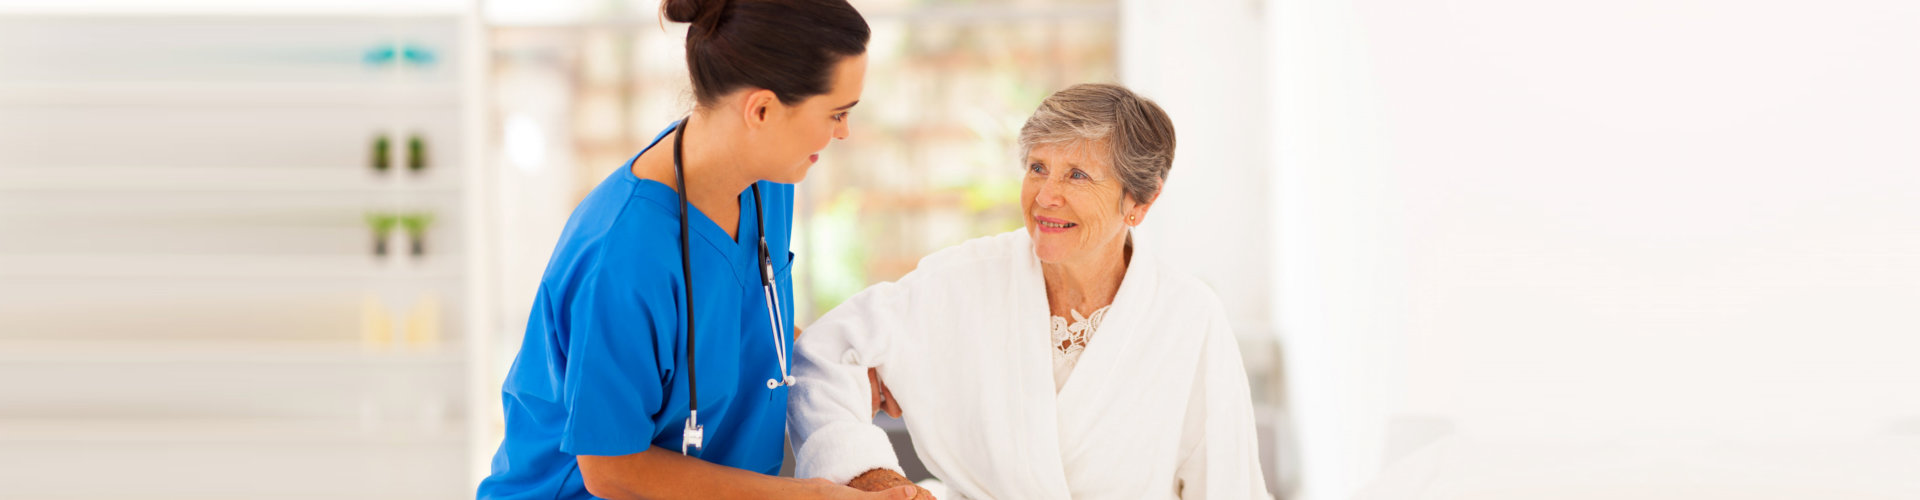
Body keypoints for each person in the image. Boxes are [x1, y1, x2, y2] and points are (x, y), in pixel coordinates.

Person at [476, 0, 920, 498]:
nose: (843, 132)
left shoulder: (768, 177)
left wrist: (838, 360)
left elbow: (733, 321)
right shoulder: (623, 257)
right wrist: (811, 495)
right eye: (836, 113)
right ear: (763, 109)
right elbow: (612, 470)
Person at [788, 83, 1271, 499]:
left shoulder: (1188, 316)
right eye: (1038, 167)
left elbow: (1225, 483)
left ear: (1140, 201)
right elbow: (825, 355)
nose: (1044, 195)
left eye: (1076, 175)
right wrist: (870, 476)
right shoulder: (963, 278)